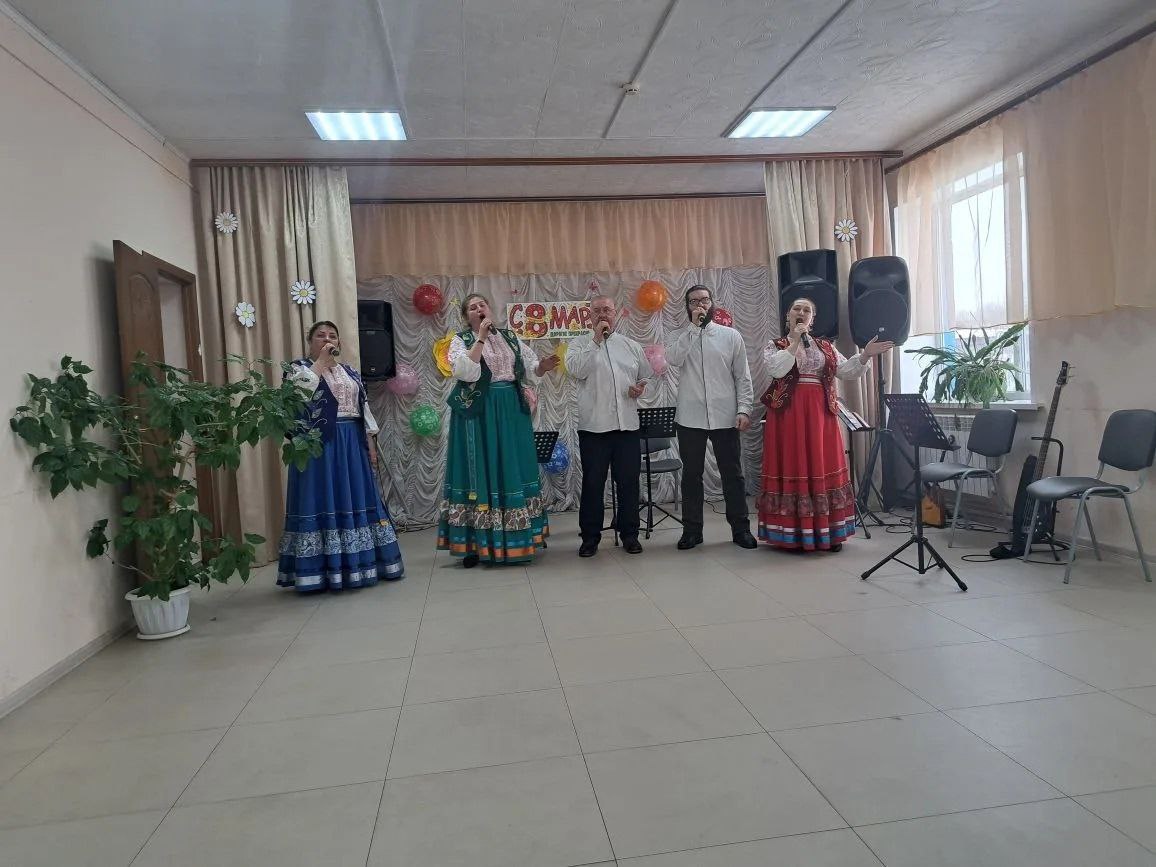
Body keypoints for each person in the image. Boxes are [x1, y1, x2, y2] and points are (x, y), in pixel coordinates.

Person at [278, 320, 405, 591]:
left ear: (339, 343)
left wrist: (370, 446)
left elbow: (363, 411)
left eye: (332, 336)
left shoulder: (350, 372)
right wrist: (320, 364)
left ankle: (362, 564)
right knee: (323, 497)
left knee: (355, 495)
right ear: (310, 341)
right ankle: (322, 570)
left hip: (351, 443)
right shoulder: (298, 369)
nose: (327, 339)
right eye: (320, 335)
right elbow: (296, 398)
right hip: (318, 445)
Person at [759, 297, 892, 552]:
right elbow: (777, 370)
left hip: (820, 414)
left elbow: (846, 372)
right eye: (796, 308)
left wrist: (865, 355)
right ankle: (794, 533)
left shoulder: (826, 347)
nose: (801, 312)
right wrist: (795, 340)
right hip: (788, 414)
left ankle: (827, 531)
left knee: (823, 462)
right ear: (788, 316)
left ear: (812, 319)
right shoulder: (775, 345)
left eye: (807, 310)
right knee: (795, 464)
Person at [438, 293, 560, 567]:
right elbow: (465, 372)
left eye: (482, 305)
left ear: (489, 309)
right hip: (479, 411)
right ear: (466, 316)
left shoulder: (509, 337)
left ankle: (521, 536)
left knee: (513, 466)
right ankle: (475, 542)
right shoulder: (461, 340)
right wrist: (480, 337)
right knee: (482, 469)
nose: (479, 309)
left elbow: (528, 366)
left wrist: (542, 367)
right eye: (473, 307)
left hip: (511, 408)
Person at [664, 285, 757, 550]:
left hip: (725, 415)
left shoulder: (730, 336)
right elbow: (673, 359)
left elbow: (742, 376)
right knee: (691, 475)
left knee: (733, 474)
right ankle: (692, 531)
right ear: (687, 307)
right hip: (690, 417)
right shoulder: (679, 336)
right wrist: (693, 330)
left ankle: (741, 529)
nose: (700, 305)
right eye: (694, 302)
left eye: (704, 300)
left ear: (712, 303)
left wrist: (744, 409)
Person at [566, 295, 653, 557]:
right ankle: (590, 538)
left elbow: (646, 375)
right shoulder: (578, 344)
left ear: (615, 314)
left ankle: (630, 534)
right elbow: (577, 370)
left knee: (629, 483)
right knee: (593, 484)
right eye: (597, 311)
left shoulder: (630, 345)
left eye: (607, 310)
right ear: (589, 315)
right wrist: (595, 340)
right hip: (594, 429)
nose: (603, 314)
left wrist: (641, 388)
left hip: (627, 427)